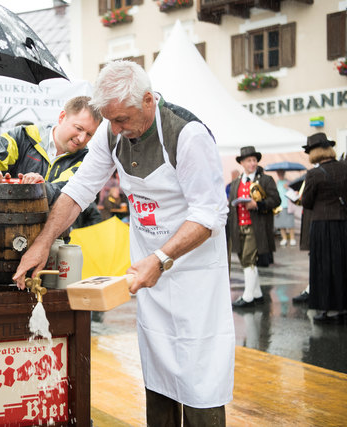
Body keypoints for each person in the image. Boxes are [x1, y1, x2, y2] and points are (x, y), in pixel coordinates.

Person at [14, 61, 234, 426]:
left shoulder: (187, 134)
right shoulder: (111, 132)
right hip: (148, 273)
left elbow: (210, 214)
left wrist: (161, 258)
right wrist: (43, 241)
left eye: (122, 120)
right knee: (159, 371)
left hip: (194, 275)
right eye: (110, 120)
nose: (114, 129)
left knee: (199, 376)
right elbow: (79, 190)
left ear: (148, 100)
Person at [0, 96, 102, 205]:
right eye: (79, 128)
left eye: (89, 134)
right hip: (5, 226)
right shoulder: (21, 135)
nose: (82, 138)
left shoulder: (86, 159)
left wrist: (40, 186)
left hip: (55, 232)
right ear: (62, 117)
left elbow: (65, 192)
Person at [299, 133, 347, 322]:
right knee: (342, 265)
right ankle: (343, 308)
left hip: (322, 226)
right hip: (343, 223)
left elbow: (307, 202)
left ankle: (326, 310)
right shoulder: (344, 169)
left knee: (323, 267)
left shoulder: (314, 174)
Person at [228, 146, 280, 308]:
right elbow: (231, 205)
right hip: (239, 226)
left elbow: (276, 200)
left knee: (249, 259)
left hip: (255, 226)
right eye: (249, 160)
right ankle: (257, 293)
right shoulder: (236, 182)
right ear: (242, 163)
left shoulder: (266, 180)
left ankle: (248, 296)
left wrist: (257, 204)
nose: (252, 163)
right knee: (244, 259)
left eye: (254, 160)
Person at [274, 170, 296, 247]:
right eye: (279, 173)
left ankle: (292, 238)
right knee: (281, 224)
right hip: (279, 206)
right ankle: (284, 238)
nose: (280, 174)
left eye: (281, 173)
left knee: (290, 224)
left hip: (288, 205)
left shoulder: (289, 182)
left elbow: (294, 193)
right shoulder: (276, 183)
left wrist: (288, 188)